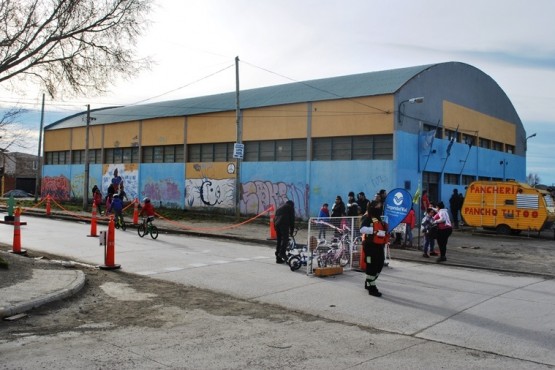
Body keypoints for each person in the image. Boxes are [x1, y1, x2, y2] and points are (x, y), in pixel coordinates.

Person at [360, 201, 389, 297]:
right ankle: (372, 288)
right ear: (373, 207)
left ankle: (368, 281)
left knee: (380, 264)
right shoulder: (368, 217)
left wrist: (384, 233)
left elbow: (380, 231)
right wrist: (374, 231)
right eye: (378, 206)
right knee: (372, 266)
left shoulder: (378, 218)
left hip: (379, 245)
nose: (379, 208)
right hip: (369, 246)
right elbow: (362, 229)